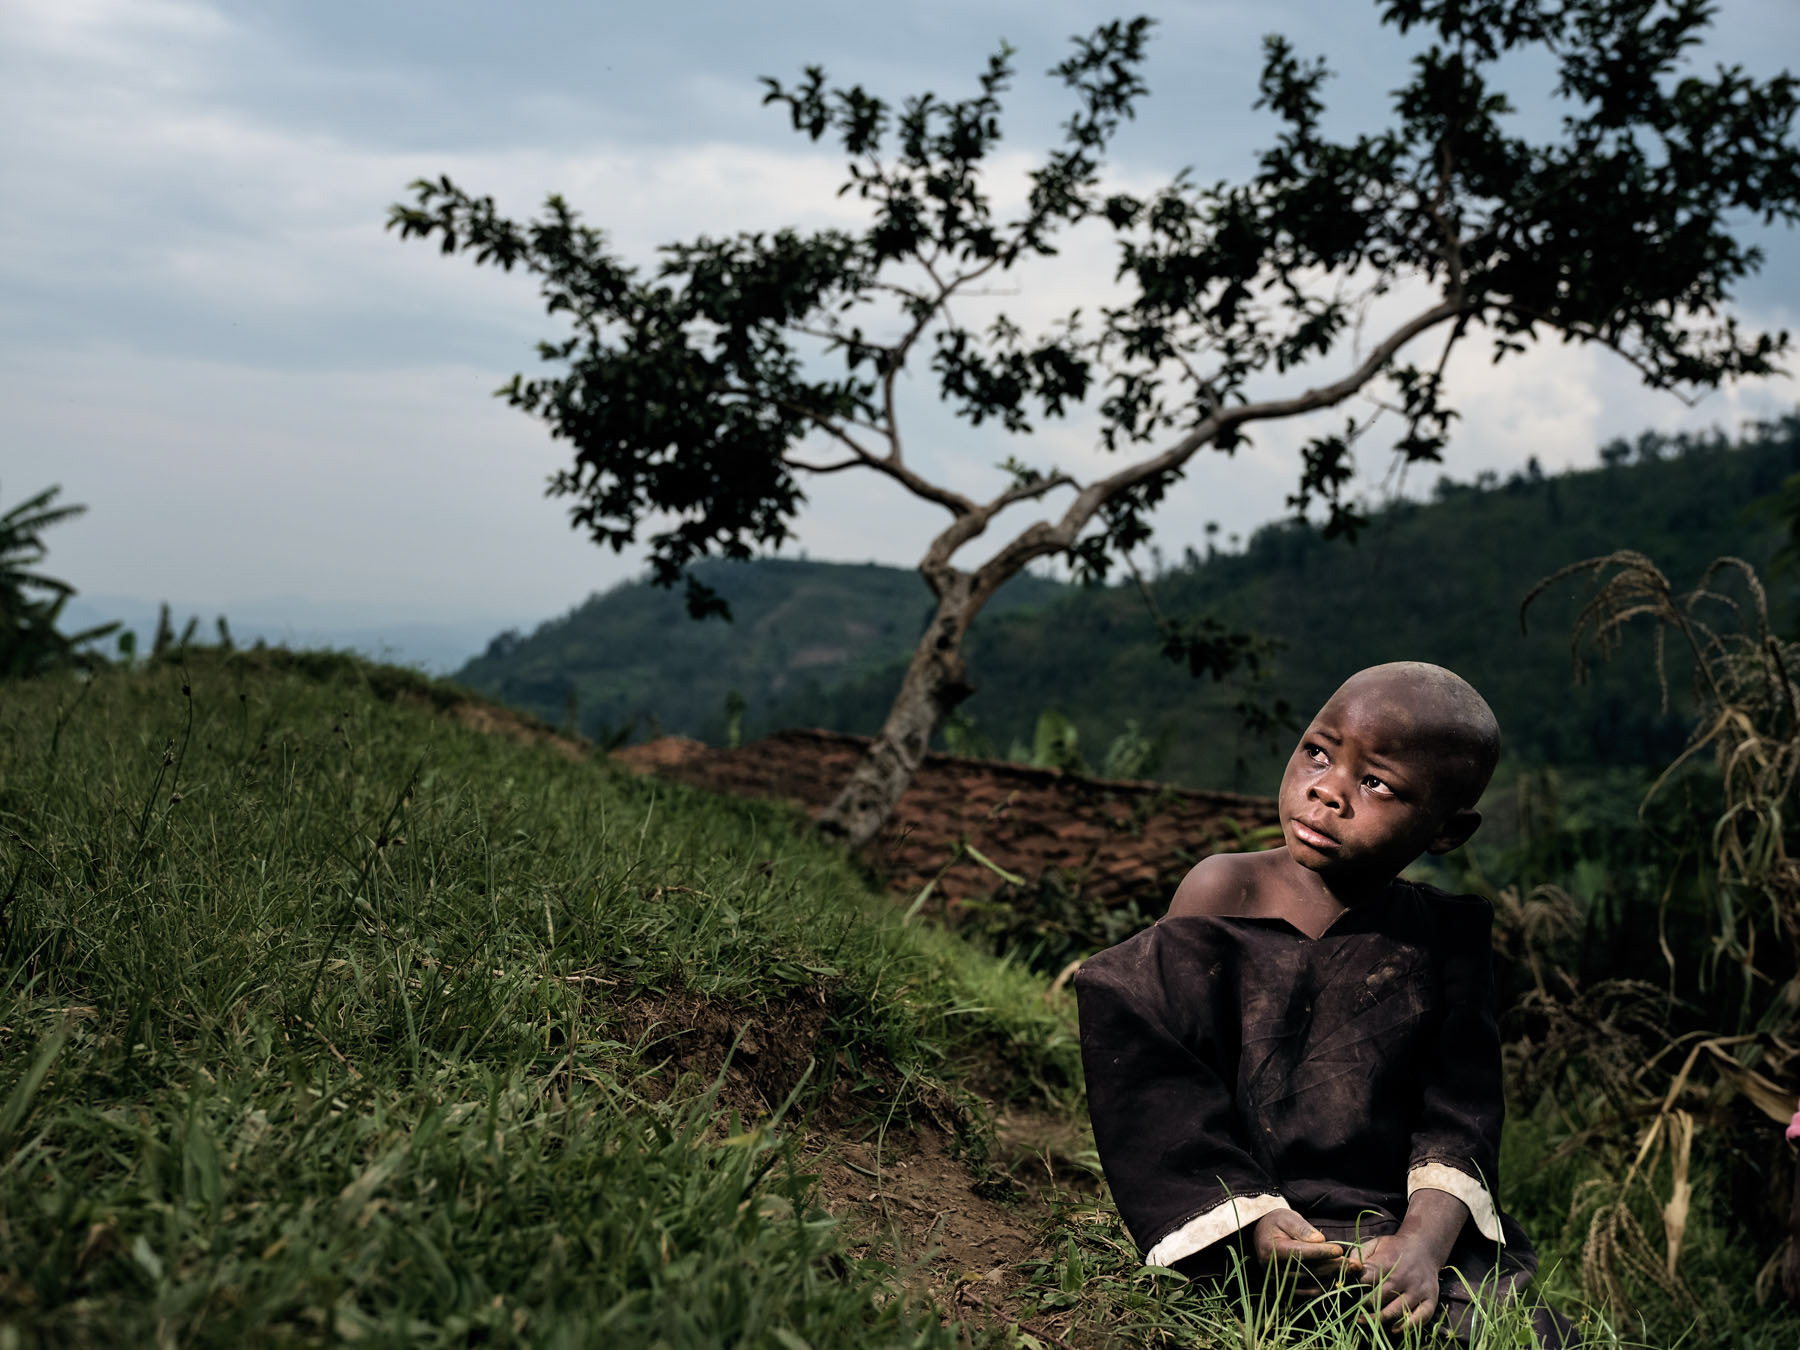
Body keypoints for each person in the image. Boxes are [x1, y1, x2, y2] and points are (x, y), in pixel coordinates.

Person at [1074, 662, 1571, 1344]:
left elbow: (1461, 1117)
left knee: (1524, 1331)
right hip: (1239, 1217)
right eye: (1317, 750)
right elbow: (1164, 1073)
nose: (1327, 791)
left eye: (1376, 783)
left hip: (1393, 1235)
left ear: (1447, 831)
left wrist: (1422, 1248)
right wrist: (1245, 1219)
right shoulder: (1224, 893)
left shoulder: (1445, 940)